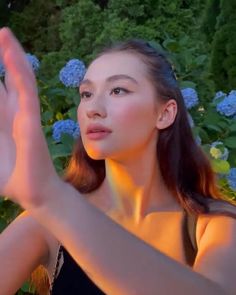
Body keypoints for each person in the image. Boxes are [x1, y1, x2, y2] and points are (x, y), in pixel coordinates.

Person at [0, 27, 236, 295]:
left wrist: (52, 198)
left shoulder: (213, 226)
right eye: (86, 94)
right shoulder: (45, 221)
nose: (93, 107)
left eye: (118, 90)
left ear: (165, 113)